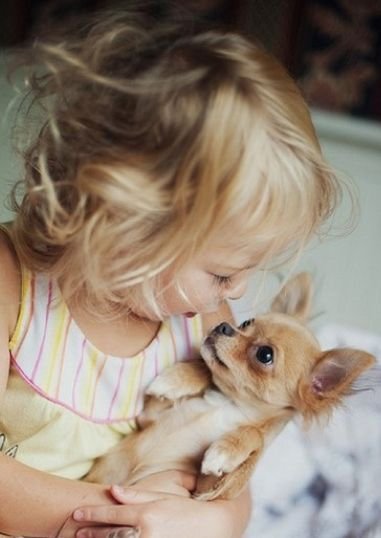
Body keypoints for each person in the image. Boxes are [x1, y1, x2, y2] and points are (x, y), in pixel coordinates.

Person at [0, 7, 342, 538]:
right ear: (127, 225)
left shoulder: (202, 322)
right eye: (225, 273)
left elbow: (231, 489)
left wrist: (203, 521)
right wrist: (126, 517)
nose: (239, 293)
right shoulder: (10, 282)